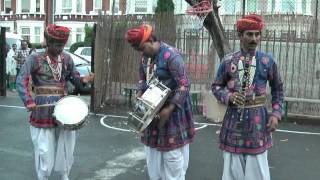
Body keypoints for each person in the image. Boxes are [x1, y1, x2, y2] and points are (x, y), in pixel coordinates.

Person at [16, 24, 94, 180]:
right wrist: (28, 100)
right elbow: (21, 79)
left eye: (63, 45)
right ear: (48, 42)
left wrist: (84, 80)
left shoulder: (66, 58)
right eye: (57, 45)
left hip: (64, 109)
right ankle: (43, 176)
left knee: (66, 146)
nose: (60, 48)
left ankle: (64, 174)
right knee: (44, 149)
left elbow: (75, 80)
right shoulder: (35, 58)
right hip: (42, 110)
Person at [211, 14, 284, 180]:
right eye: (249, 34)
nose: (254, 39)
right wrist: (228, 96)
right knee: (232, 173)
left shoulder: (267, 61)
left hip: (258, 125)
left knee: (257, 173)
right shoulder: (228, 61)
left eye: (257, 34)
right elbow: (216, 86)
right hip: (233, 124)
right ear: (240, 34)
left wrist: (276, 114)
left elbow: (278, 89)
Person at [125, 24, 195, 180]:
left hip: (173, 112)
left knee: (172, 157)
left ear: (150, 39)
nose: (141, 52)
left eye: (142, 47)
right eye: (138, 49)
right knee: (153, 157)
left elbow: (184, 85)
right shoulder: (145, 57)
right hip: (152, 110)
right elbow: (142, 79)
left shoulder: (172, 56)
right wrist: (139, 92)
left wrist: (168, 109)